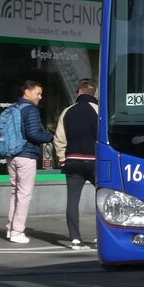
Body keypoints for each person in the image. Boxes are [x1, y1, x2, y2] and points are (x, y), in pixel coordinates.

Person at [6, 80, 55, 244]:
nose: (40, 97)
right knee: (24, 194)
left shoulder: (14, 107)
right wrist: (52, 137)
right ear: (27, 91)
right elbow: (34, 135)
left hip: (11, 155)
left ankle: (10, 228)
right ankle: (17, 232)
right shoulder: (30, 110)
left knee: (16, 193)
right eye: (38, 93)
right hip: (26, 155)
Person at [54, 78, 99, 250]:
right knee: (105, 198)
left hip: (72, 162)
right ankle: (101, 236)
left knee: (72, 201)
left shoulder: (67, 111)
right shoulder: (100, 111)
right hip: (96, 162)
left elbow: (59, 138)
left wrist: (62, 158)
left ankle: (75, 239)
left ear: (79, 91)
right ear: (93, 93)